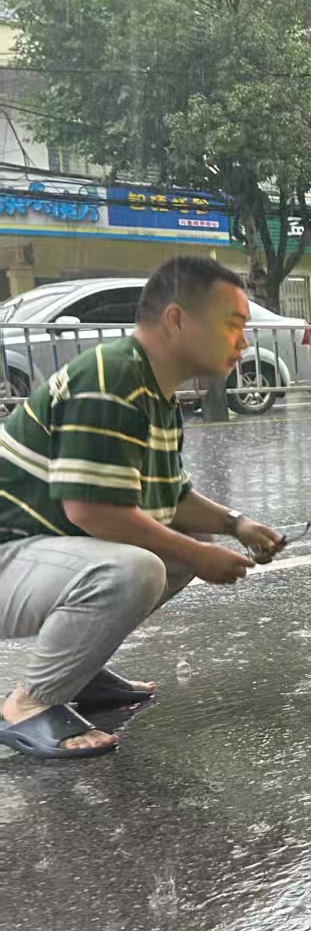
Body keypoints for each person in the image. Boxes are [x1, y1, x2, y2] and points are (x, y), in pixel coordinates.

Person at [0, 258, 285, 759]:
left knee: (181, 546)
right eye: (233, 325)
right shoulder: (112, 378)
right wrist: (200, 558)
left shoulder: (153, 392)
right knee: (133, 569)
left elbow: (169, 498)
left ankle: (78, 671)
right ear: (176, 319)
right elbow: (93, 511)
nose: (243, 342)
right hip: (9, 558)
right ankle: (28, 705)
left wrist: (236, 524)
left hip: (30, 557)